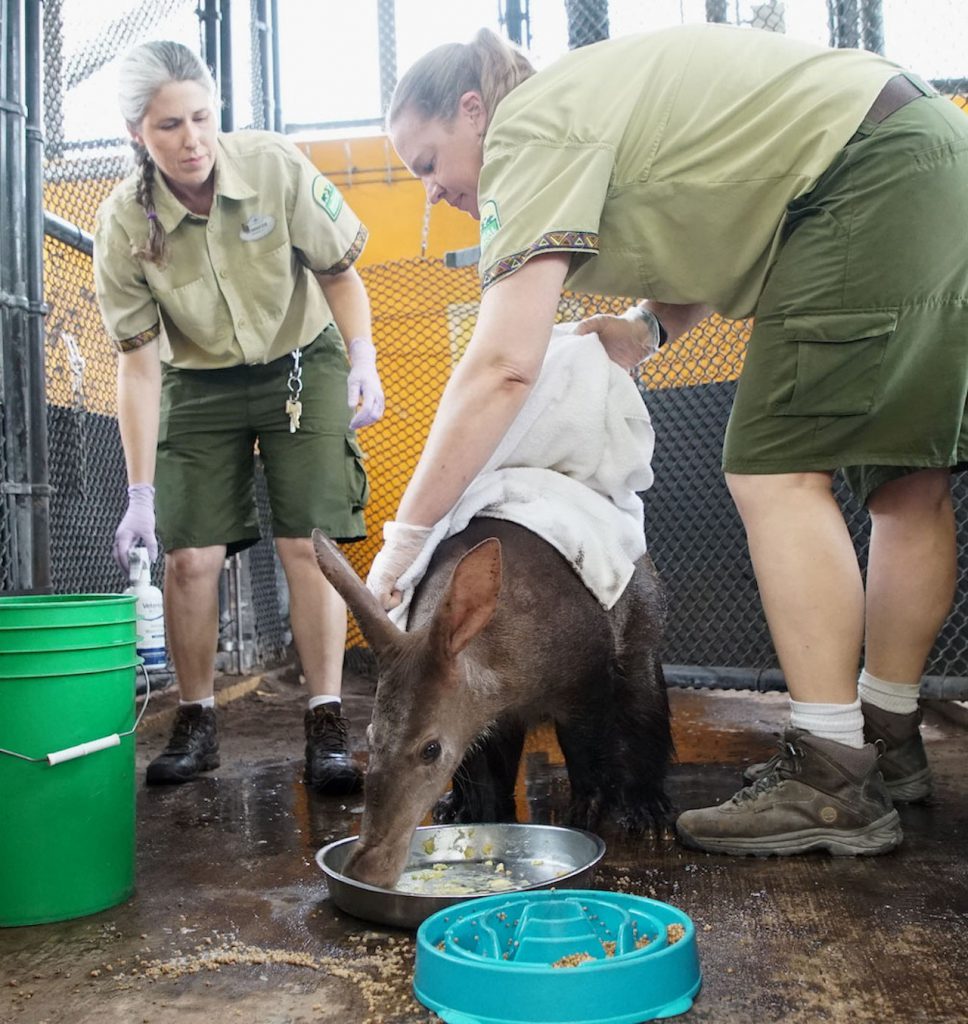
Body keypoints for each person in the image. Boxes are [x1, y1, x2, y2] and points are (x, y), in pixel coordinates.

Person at [365, 23, 968, 856]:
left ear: (474, 112)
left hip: (858, 183)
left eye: (428, 162)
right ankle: (886, 742)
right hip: (930, 158)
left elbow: (503, 364)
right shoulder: (587, 114)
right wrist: (647, 328)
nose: (430, 192)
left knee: (773, 472)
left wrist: (405, 541)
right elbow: (714, 225)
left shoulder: (531, 126)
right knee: (906, 481)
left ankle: (831, 779)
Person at [94, 40, 384, 794]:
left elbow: (339, 272)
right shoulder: (124, 223)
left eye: (200, 117)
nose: (191, 140)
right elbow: (136, 361)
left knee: (306, 542)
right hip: (198, 381)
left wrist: (363, 360)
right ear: (137, 133)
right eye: (167, 126)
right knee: (189, 558)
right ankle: (196, 722)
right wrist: (140, 492)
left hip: (301, 359)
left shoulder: (273, 166)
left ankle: (325, 721)